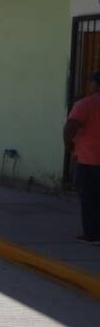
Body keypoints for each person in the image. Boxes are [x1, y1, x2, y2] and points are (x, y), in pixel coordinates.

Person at [65, 70, 100, 243]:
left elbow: (70, 126)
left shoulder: (86, 104)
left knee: (89, 198)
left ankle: (92, 234)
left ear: (96, 84)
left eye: (92, 82)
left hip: (89, 159)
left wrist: (69, 145)